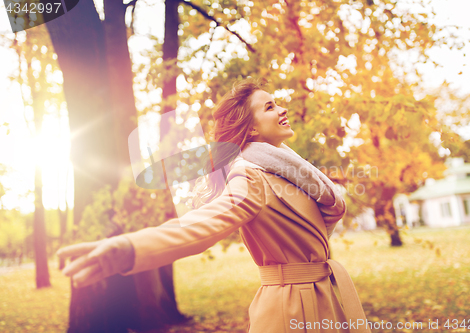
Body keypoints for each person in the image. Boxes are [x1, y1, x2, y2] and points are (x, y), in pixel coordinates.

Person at [57, 78, 371, 333]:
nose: (283, 109)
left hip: (327, 297)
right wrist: (127, 249)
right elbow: (202, 225)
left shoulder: (294, 172)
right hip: (291, 311)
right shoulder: (249, 175)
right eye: (270, 106)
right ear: (251, 128)